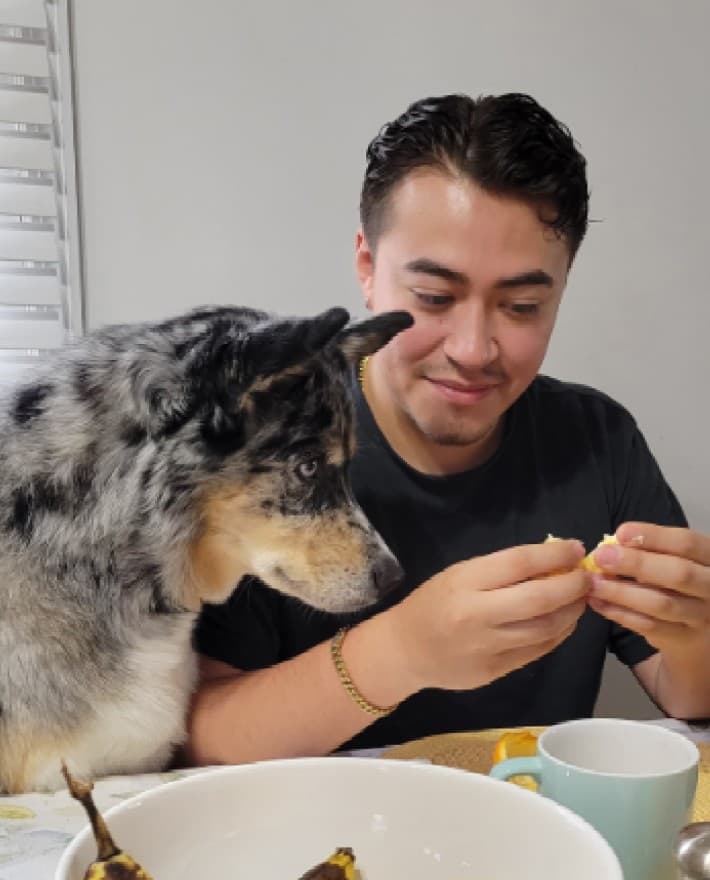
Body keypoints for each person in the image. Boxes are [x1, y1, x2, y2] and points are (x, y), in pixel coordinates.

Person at [186, 92, 710, 766]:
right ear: (368, 270)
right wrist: (399, 653)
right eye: (434, 298)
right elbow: (198, 738)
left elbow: (686, 696)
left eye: (522, 306)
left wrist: (695, 632)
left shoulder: (595, 441)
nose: (473, 348)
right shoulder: (259, 444)